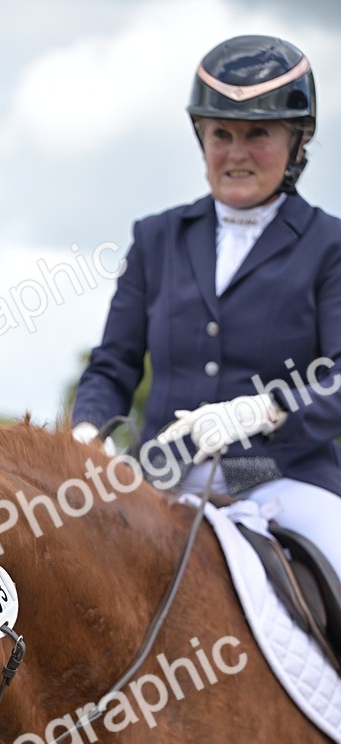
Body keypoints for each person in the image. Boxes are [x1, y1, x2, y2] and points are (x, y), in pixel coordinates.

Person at [71, 34, 341, 584]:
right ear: (202, 137)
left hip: (282, 478)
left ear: (297, 142)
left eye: (258, 134)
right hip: (159, 476)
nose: (236, 153)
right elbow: (113, 365)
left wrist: (268, 410)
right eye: (221, 134)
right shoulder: (157, 238)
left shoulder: (329, 247)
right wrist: (85, 434)